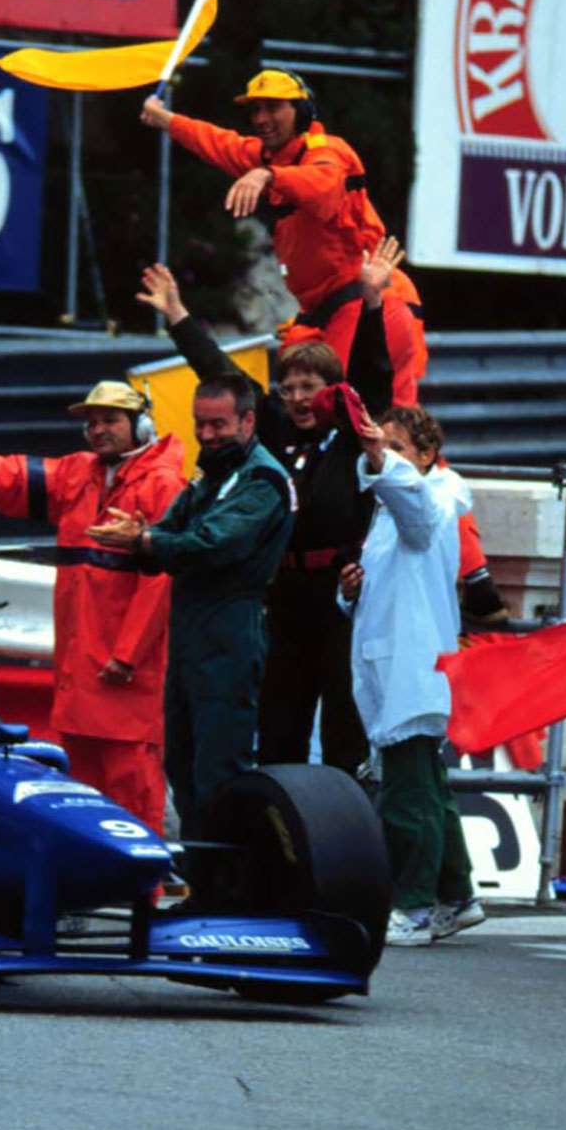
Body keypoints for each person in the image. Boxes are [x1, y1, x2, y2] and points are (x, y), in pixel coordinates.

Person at [138, 242, 400, 779]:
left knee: (342, 732)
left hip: (342, 597)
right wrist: (178, 317)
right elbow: (221, 373)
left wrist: (372, 305)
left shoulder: (352, 437)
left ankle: (343, 832)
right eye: (289, 387)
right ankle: (278, 839)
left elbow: (372, 381)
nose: (299, 398)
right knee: (278, 725)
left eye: (310, 387)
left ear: (332, 393)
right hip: (282, 599)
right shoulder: (277, 431)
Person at [0, 381, 188, 829]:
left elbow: (159, 582)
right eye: (91, 422)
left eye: (110, 420)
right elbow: (16, 478)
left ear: (141, 424)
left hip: (124, 665)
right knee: (82, 778)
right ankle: (94, 881)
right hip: (81, 660)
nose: (97, 430)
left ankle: (145, 887)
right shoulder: (79, 474)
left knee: (131, 773)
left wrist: (128, 654)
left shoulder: (163, 484)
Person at [140, 69, 429, 404]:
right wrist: (165, 119)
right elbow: (220, 143)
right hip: (327, 310)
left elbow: (322, 186)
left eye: (274, 107)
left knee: (382, 418)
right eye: (256, 109)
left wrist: (267, 176)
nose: (262, 118)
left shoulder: (327, 151)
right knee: (300, 406)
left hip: (372, 302)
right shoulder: (270, 156)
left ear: (302, 111)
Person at [85, 374, 294, 831]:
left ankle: (232, 885)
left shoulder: (262, 480)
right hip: (191, 631)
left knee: (219, 769)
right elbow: (170, 530)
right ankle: (203, 883)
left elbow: (209, 543)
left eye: (218, 425)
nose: (207, 435)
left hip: (232, 629)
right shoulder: (211, 475)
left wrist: (144, 540)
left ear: (247, 420)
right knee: (181, 762)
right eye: (201, 425)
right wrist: (148, 538)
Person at [340, 403, 487, 947]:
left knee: (407, 795)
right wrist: (349, 592)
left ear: (427, 455)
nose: (388, 459)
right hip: (393, 660)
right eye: (383, 448)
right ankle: (458, 896)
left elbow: (418, 521)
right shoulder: (389, 509)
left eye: (400, 449)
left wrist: (382, 461)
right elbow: (389, 589)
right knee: (429, 788)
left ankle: (414, 904)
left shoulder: (437, 499)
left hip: (412, 665)